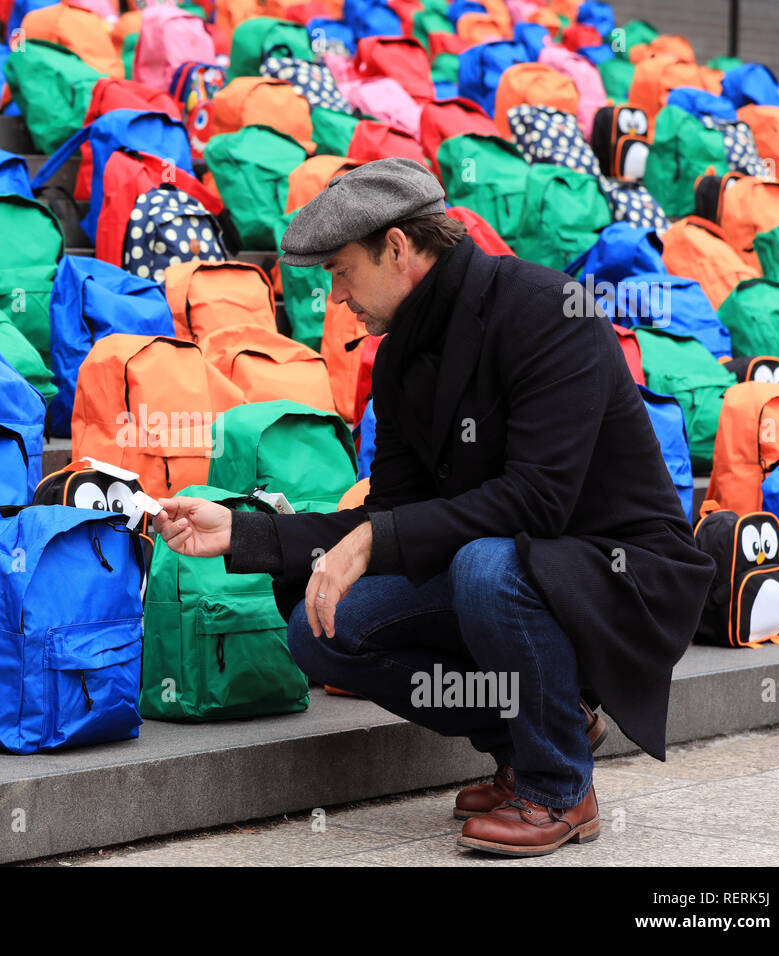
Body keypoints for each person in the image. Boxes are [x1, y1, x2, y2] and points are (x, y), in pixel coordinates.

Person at [151, 158, 716, 858]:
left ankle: (560, 786)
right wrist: (246, 531)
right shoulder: (397, 359)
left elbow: (536, 500)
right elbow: (394, 513)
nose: (334, 298)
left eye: (340, 271)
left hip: (620, 574)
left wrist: (373, 537)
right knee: (321, 630)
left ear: (397, 246)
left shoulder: (546, 308)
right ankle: (529, 736)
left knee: (486, 566)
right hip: (513, 573)